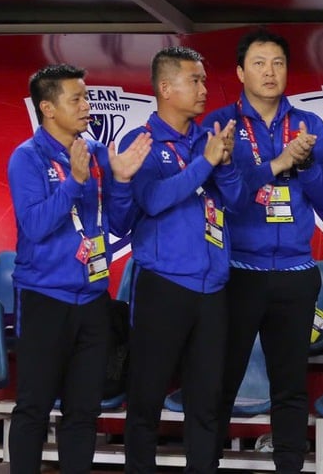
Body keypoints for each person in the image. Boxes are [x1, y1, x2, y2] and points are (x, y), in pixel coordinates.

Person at [202, 29, 323, 474]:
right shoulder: (220, 126)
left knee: (290, 388)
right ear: (241, 72)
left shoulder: (309, 126)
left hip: (297, 274)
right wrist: (277, 163)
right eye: (259, 63)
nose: (269, 72)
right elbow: (230, 198)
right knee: (221, 382)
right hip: (239, 272)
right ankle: (205, 464)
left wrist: (304, 164)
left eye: (278, 63)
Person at [6, 65, 152, 474]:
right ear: (48, 108)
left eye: (87, 97)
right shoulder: (26, 158)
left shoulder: (98, 153)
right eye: (77, 99)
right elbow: (34, 226)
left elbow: (119, 223)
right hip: (43, 299)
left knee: (83, 410)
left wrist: (121, 181)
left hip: (93, 299)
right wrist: (73, 181)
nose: (87, 106)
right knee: (33, 406)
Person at [119, 46, 241, 473]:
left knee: (207, 405)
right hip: (164, 287)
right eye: (196, 80)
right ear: (166, 88)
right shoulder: (142, 142)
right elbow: (152, 200)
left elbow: (238, 200)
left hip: (212, 290)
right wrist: (204, 164)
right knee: (146, 403)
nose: (205, 89)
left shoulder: (206, 139)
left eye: (205, 80)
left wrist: (222, 164)